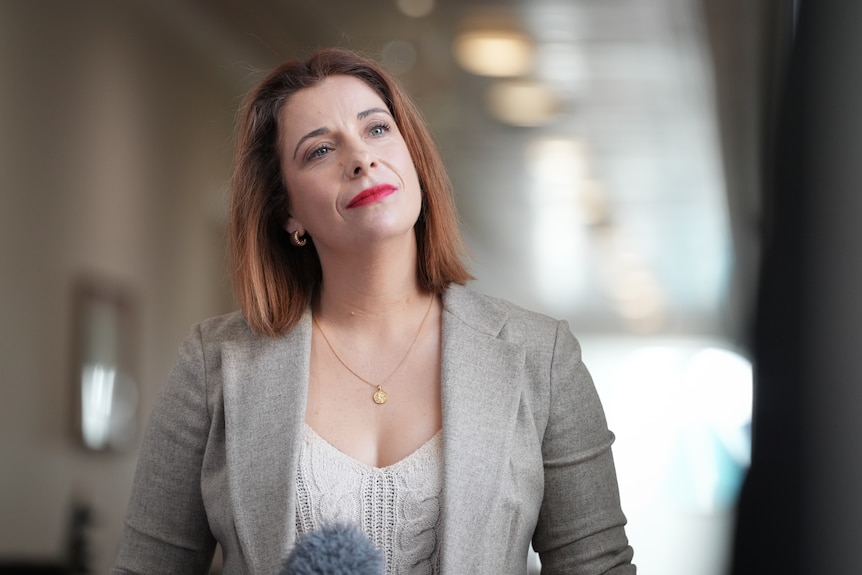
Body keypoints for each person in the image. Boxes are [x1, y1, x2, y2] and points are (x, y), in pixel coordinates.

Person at [112, 47, 635, 575]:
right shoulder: (214, 366)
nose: (360, 158)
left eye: (378, 130)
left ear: (414, 157)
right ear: (286, 209)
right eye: (319, 151)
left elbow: (598, 567)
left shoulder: (540, 358)